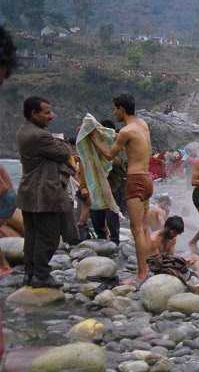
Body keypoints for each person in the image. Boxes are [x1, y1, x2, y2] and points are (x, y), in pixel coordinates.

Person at [89, 94, 153, 281]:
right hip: (147, 179)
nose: (114, 112)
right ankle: (149, 265)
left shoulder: (126, 131)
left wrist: (93, 137)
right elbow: (131, 143)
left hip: (135, 180)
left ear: (122, 109)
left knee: (137, 229)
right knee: (145, 227)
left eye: (115, 109)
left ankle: (141, 273)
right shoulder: (142, 125)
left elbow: (109, 155)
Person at [15, 96, 76, 288]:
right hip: (43, 193)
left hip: (29, 193)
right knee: (48, 235)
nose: (51, 116)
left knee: (32, 235)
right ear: (34, 113)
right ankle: (41, 275)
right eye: (47, 112)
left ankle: (30, 273)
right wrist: (62, 142)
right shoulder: (40, 136)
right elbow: (65, 153)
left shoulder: (24, 131)